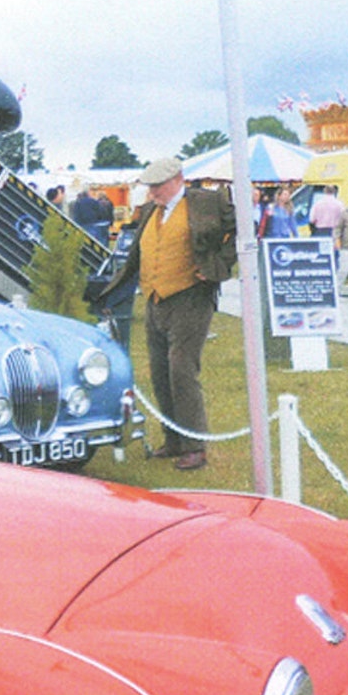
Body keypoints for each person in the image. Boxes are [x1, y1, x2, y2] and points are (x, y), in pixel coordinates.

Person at [104, 157, 236, 471]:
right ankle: (173, 439)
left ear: (178, 179)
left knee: (181, 371)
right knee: (160, 372)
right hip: (155, 299)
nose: (152, 193)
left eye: (158, 186)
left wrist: (215, 267)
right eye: (150, 187)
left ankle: (195, 445)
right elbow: (138, 253)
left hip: (190, 298)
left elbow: (243, 232)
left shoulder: (206, 201)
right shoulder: (151, 211)